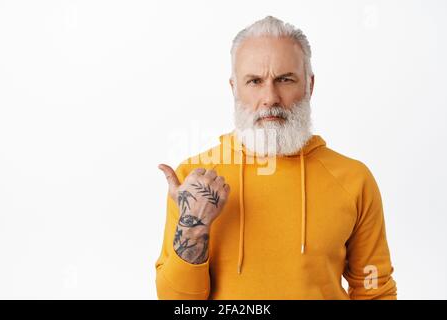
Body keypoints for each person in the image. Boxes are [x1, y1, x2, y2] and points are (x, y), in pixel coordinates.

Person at [155, 15, 397, 299]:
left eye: (284, 79)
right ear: (234, 88)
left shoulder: (354, 180)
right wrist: (193, 226)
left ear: (309, 85)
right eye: (255, 81)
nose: (270, 97)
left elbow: (374, 288)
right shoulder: (195, 180)